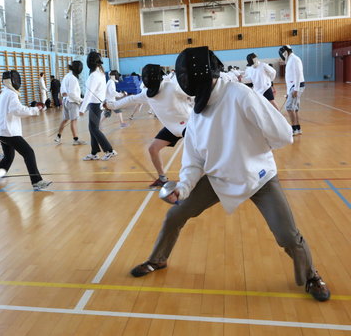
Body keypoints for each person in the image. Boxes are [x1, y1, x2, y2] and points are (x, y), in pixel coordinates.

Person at [130, 46, 330, 303]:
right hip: (218, 178)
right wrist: (184, 187)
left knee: (287, 235)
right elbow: (194, 161)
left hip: (259, 178)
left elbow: (283, 133)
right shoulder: (197, 114)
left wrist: (253, 151)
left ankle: (311, 276)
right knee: (176, 213)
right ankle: (157, 260)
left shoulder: (239, 94)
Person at [105, 64, 192, 188]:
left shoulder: (173, 87)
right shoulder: (147, 93)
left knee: (193, 157)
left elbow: (193, 96)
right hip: (172, 128)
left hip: (188, 126)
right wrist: (111, 105)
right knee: (153, 149)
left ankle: (201, 181)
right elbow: (130, 100)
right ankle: (162, 179)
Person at [0, 70, 52, 190]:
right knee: (28, 153)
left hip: (2, 133)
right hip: (9, 133)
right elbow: (18, 110)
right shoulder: (11, 95)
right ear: (12, 81)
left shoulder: (3, 94)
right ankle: (37, 181)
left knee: (8, 157)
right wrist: (35, 109)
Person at [79, 52, 117, 161]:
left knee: (94, 129)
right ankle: (94, 152)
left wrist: (82, 109)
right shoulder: (100, 73)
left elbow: (88, 94)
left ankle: (109, 150)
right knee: (92, 128)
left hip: (95, 105)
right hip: (96, 104)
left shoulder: (94, 75)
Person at [54, 61, 86, 145]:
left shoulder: (67, 76)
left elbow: (63, 89)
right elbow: (72, 94)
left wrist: (64, 94)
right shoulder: (73, 78)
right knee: (73, 121)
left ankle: (58, 136)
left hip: (66, 101)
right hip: (72, 102)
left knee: (65, 120)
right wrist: (81, 100)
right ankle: (75, 139)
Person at [279, 45, 305, 135]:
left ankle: (294, 129)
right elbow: (289, 78)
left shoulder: (294, 59)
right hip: (293, 87)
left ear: (285, 52)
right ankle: (298, 128)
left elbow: (298, 74)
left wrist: (296, 89)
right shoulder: (290, 60)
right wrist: (288, 92)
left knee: (289, 107)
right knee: (295, 108)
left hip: (296, 87)